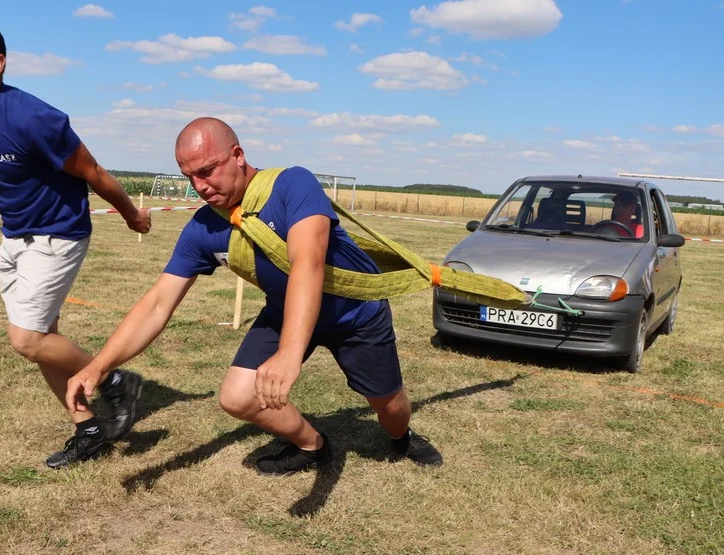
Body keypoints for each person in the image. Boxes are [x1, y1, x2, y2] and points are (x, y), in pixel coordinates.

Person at [65, 117, 443, 476]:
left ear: (238, 155)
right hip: (285, 314)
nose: (199, 186)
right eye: (190, 176)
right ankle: (313, 446)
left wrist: (289, 355)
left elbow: (307, 265)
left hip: (355, 315)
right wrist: (98, 366)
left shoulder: (292, 185)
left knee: (390, 408)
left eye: (208, 170)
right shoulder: (204, 228)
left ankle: (401, 437)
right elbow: (158, 303)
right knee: (237, 397)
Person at [0, 20, 151, 469]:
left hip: (59, 234)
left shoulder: (35, 118)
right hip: (14, 237)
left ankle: (115, 381)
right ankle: (89, 429)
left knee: (27, 338)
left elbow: (93, 172)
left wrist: (132, 214)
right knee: (44, 339)